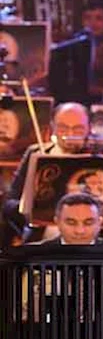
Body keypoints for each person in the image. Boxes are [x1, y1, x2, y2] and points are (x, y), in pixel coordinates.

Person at [1, 102, 91, 247]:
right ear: (52, 128)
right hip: (43, 238)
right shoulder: (36, 153)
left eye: (78, 129)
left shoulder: (99, 157)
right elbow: (10, 203)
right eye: (63, 128)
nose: (70, 134)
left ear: (88, 129)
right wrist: (30, 211)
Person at [32, 193, 103, 246]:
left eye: (88, 223)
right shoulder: (35, 254)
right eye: (71, 223)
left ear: (99, 223)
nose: (80, 231)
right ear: (57, 222)